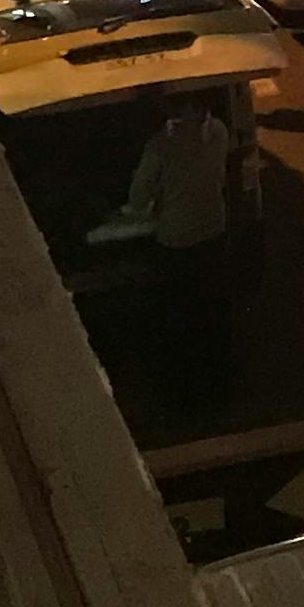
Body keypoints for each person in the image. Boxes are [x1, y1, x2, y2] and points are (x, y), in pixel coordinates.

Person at [104, 91, 237, 391]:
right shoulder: (218, 131)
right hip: (215, 232)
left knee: (179, 316)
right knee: (213, 311)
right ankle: (220, 378)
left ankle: (179, 385)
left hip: (177, 242)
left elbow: (138, 199)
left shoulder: (161, 147)